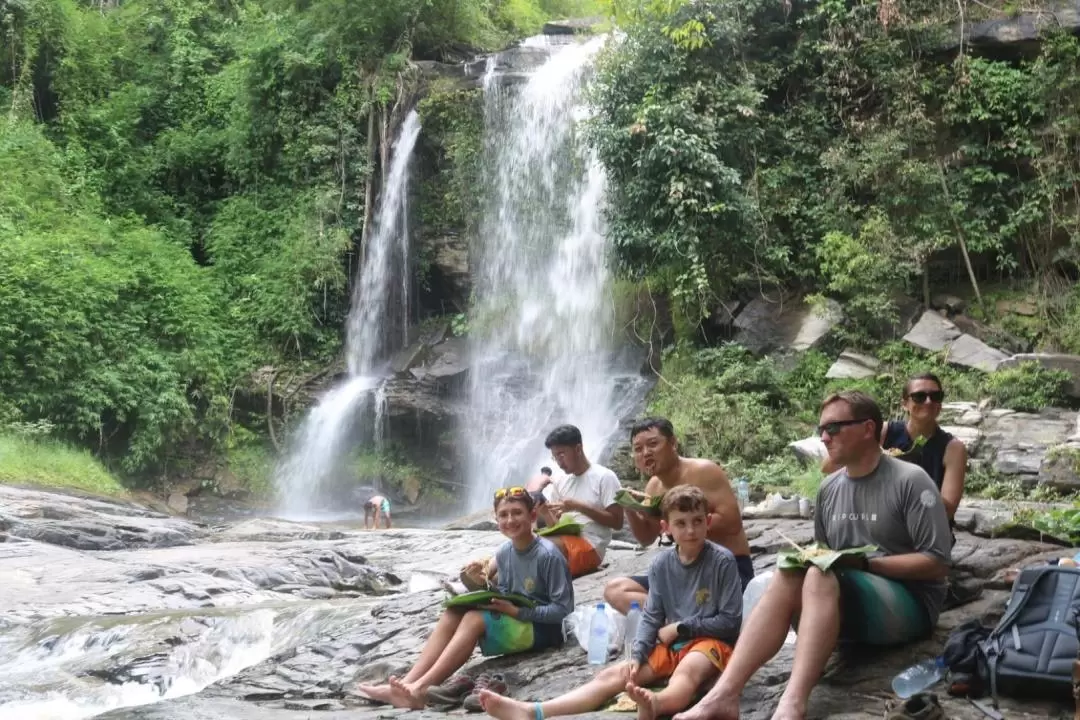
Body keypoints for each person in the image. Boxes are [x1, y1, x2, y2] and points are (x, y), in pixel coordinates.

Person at [675, 391, 952, 720]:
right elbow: (823, 557)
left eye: (834, 428)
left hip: (910, 608)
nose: (824, 437)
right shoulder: (829, 488)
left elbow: (937, 562)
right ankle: (723, 695)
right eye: (822, 428)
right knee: (791, 569)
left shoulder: (910, 480)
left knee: (820, 574)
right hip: (846, 611)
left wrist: (863, 563)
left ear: (868, 429)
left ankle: (792, 702)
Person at [479, 485, 742, 720]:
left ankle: (655, 704)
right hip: (671, 642)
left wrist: (681, 628)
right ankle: (535, 711)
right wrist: (638, 654)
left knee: (685, 674)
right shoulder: (662, 564)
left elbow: (730, 622)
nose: (690, 530)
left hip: (710, 642)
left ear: (708, 522)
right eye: (681, 523)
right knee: (616, 675)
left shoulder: (722, 561)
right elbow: (652, 616)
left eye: (697, 522)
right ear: (666, 528)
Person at [359, 487, 573, 709]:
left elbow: (563, 610)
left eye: (517, 513)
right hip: (519, 621)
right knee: (454, 612)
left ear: (532, 516)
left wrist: (517, 612)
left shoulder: (548, 555)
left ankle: (421, 690)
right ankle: (407, 683)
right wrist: (479, 584)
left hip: (546, 631)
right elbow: (506, 593)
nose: (510, 520)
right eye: (503, 514)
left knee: (474, 619)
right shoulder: (504, 552)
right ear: (496, 519)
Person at [604, 417, 753, 614]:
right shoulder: (654, 487)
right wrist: (630, 507)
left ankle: (680, 620)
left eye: (653, 444)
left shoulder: (703, 471)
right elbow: (646, 537)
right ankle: (675, 622)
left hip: (725, 568)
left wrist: (678, 522)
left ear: (673, 443)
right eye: (638, 449)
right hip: (683, 571)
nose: (646, 453)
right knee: (616, 590)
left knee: (699, 601)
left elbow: (732, 522)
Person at [822, 374, 966, 522]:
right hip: (881, 523)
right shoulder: (884, 432)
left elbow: (947, 510)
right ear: (905, 404)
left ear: (940, 403)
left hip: (926, 529)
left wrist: (911, 485)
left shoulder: (953, 448)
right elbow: (829, 466)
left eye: (936, 396)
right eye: (919, 396)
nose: (928, 402)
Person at [537, 424, 624, 577]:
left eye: (562, 455)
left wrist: (579, 506)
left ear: (578, 449)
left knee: (537, 547)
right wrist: (544, 513)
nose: (559, 462)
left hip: (590, 546)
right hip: (564, 541)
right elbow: (555, 525)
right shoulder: (561, 481)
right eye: (555, 457)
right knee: (521, 545)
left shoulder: (604, 477)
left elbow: (617, 522)